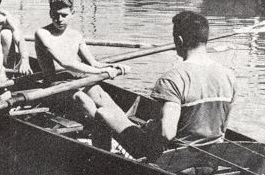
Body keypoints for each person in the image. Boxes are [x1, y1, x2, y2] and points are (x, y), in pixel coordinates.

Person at [96, 11, 236, 160]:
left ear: (179, 40)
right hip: (213, 156)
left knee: (103, 113)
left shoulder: (172, 79)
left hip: (174, 159)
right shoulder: (228, 75)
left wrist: (149, 128)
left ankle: (103, 162)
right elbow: (223, 129)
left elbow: (167, 133)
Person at [34, 0, 128, 119]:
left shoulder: (76, 35)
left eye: (64, 15)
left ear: (72, 13)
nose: (59, 19)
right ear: (50, 13)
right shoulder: (42, 33)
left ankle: (129, 127)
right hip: (55, 85)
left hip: (77, 80)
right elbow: (65, 63)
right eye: (56, 15)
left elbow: (94, 63)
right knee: (82, 98)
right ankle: (103, 127)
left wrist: (112, 66)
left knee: (101, 96)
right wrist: (100, 71)